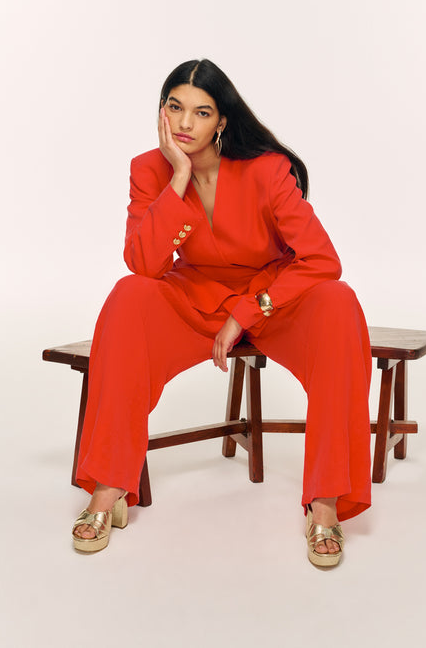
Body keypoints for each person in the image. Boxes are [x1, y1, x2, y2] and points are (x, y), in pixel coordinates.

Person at [72, 59, 372, 567]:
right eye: (175, 108)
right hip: (195, 297)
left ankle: (325, 502)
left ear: (222, 121)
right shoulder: (149, 169)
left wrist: (251, 310)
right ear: (161, 112)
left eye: (202, 112)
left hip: (270, 300)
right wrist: (179, 177)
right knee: (128, 296)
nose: (185, 123)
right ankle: (108, 488)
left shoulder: (267, 169)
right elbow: (145, 264)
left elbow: (323, 260)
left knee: (338, 302)